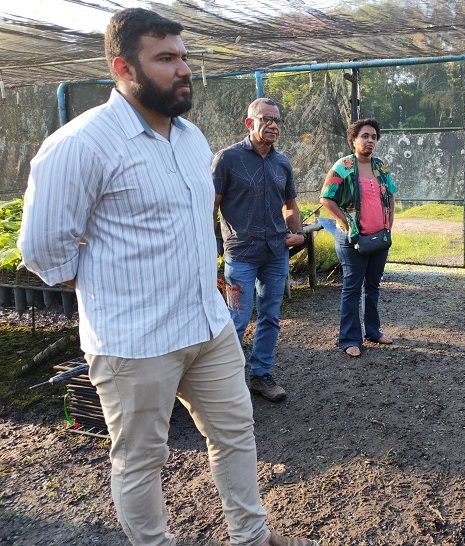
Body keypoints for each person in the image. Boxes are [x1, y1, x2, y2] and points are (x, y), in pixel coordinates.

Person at [17, 8, 317, 546]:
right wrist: (109, 294)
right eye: (165, 59)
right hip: (134, 342)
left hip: (207, 326)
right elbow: (42, 251)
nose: (184, 70)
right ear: (123, 67)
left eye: (183, 57)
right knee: (141, 460)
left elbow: (194, 223)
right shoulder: (80, 144)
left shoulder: (191, 139)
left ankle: (252, 537)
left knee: (235, 434)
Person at [213, 98, 305, 403]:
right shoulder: (227, 159)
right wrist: (209, 249)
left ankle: (260, 375)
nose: (273, 125)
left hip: (275, 254)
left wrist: (297, 232)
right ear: (249, 122)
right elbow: (210, 207)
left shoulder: (282, 163)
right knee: (236, 319)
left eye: (277, 120)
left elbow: (290, 205)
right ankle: (227, 383)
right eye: (265, 118)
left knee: (270, 316)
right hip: (240, 255)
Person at [320, 118, 396, 357]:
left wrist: (389, 224)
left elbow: (391, 195)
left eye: (374, 137)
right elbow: (326, 198)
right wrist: (344, 222)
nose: (370, 140)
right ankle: (349, 339)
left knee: (373, 286)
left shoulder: (380, 166)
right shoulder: (343, 166)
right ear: (353, 140)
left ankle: (373, 331)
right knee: (352, 289)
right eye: (365, 136)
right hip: (352, 240)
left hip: (379, 239)